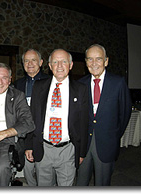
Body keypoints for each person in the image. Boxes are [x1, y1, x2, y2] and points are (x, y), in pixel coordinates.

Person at [0, 49, 50, 186]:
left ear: (41, 63)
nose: (30, 63)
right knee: (29, 173)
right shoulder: (17, 84)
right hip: (24, 134)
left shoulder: (50, 82)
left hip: (43, 135)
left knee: (45, 175)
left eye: (33, 60)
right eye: (26, 61)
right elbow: (0, 91)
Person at [25, 49, 89, 186]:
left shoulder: (81, 89)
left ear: (71, 65)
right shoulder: (39, 86)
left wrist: (81, 152)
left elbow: (84, 123)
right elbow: (32, 117)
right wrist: (29, 145)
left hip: (68, 151)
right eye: (55, 62)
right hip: (43, 148)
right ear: (49, 66)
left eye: (64, 61)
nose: (59, 66)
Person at [76, 44, 132, 186]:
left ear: (106, 61)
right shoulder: (79, 84)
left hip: (107, 144)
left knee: (102, 184)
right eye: (90, 59)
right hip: (84, 145)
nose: (94, 63)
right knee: (81, 182)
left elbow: (125, 113)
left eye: (98, 59)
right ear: (85, 62)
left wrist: (114, 135)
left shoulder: (118, 83)